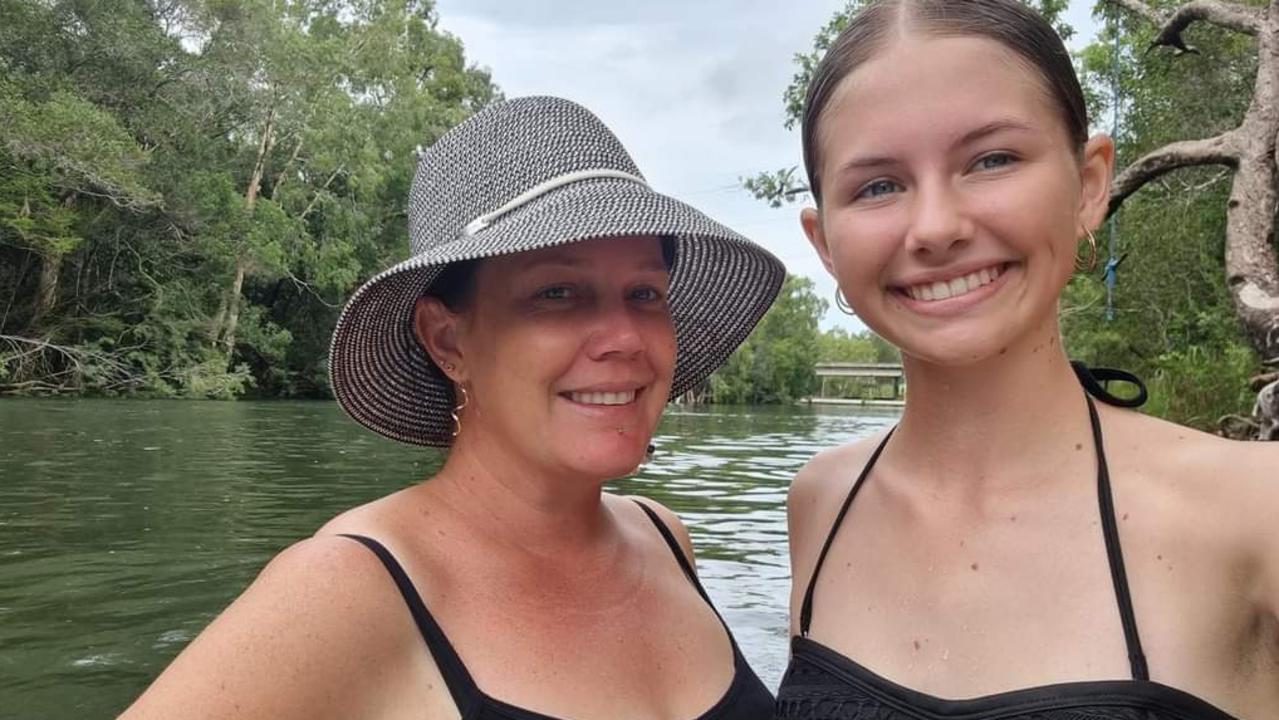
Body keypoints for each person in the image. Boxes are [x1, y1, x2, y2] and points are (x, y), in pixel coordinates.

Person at [120, 96, 784, 720]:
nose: (625, 339)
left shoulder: (663, 536)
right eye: (557, 292)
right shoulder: (350, 587)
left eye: (645, 293)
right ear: (448, 339)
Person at [774, 2, 1279, 719]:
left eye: (992, 160)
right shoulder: (819, 502)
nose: (936, 228)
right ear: (824, 242)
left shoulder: (1256, 508)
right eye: (879, 185)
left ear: (1090, 183)